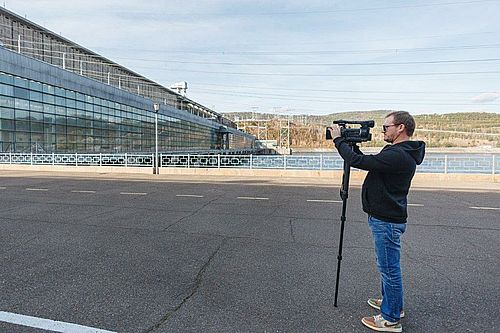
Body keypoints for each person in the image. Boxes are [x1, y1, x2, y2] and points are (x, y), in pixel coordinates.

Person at [329, 111, 425, 333]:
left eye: (386, 127)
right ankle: (393, 304)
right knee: (388, 268)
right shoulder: (399, 152)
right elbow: (369, 162)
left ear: (400, 128)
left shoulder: (398, 155)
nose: (383, 131)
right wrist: (351, 146)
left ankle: (390, 319)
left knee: (389, 269)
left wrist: (338, 140)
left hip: (387, 220)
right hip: (387, 217)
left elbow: (357, 161)